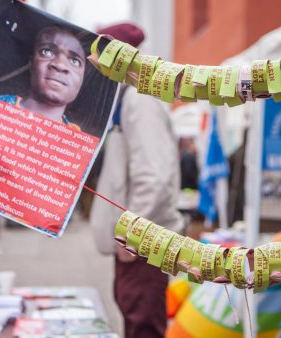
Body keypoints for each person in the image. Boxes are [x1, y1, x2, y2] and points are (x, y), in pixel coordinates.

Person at [90, 23, 185, 338]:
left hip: (142, 246)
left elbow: (154, 176)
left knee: (143, 324)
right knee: (136, 319)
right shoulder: (129, 99)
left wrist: (131, 237)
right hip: (138, 245)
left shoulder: (139, 100)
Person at [0, 25, 86, 191]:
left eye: (75, 61)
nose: (60, 65)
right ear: (31, 62)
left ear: (83, 77)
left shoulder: (76, 143)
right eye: (47, 52)